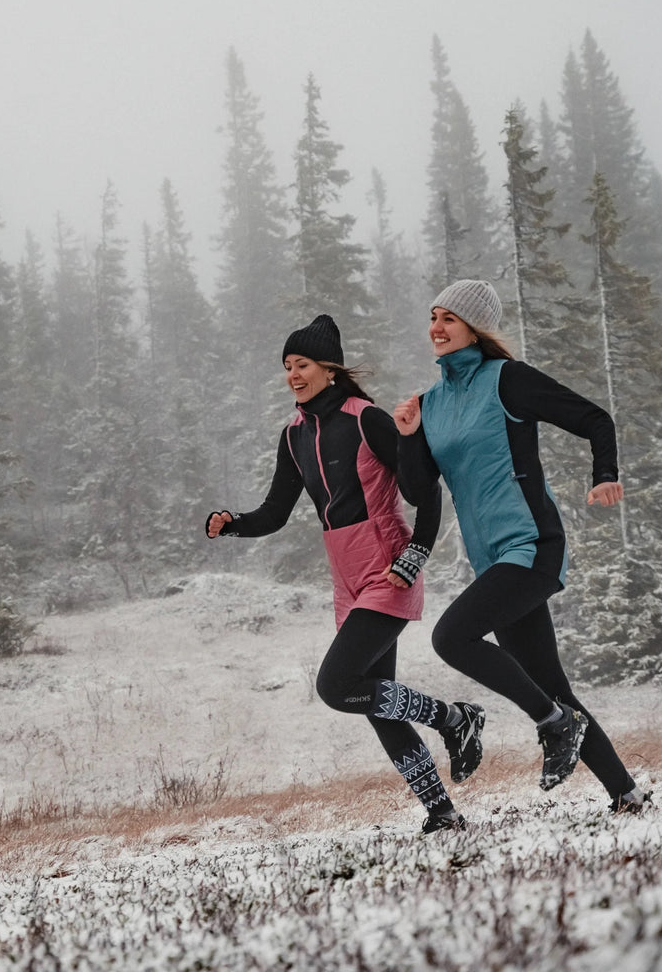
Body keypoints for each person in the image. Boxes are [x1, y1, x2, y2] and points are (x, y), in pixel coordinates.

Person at [205, 314, 486, 834]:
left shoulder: (367, 419)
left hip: (388, 566)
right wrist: (234, 525)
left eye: (302, 364)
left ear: (329, 369)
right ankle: (442, 814)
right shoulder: (292, 436)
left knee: (337, 686)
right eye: (287, 366)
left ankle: (454, 718)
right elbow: (275, 513)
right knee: (377, 699)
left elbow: (426, 490)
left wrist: (415, 554)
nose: (292, 374)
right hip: (346, 576)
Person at [393, 279, 650, 813]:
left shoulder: (506, 379)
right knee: (552, 684)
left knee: (451, 637)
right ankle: (625, 793)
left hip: (532, 545)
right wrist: (409, 434)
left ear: (474, 329)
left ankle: (554, 726)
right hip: (493, 559)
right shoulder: (430, 403)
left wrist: (605, 473)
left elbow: (593, 419)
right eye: (433, 317)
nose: (436, 328)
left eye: (449, 319)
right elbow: (419, 491)